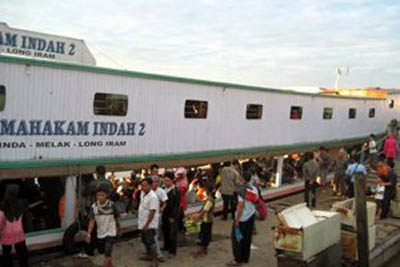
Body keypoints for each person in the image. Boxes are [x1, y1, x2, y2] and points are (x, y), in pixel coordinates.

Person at [85, 183, 121, 267]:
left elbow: (116, 218)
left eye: (102, 195)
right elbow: (91, 221)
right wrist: (89, 234)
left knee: (108, 251)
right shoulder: (94, 207)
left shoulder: (112, 205)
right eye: (98, 195)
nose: (100, 197)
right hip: (101, 232)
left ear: (107, 195)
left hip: (111, 231)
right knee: (105, 252)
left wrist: (119, 228)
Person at [227, 171, 258, 266]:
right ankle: (245, 258)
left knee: (237, 239)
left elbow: (240, 206)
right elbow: (256, 200)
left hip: (242, 218)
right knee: (247, 238)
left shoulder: (241, 191)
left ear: (242, 179)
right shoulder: (253, 188)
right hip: (251, 216)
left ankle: (237, 259)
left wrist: (237, 220)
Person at [0, 184, 29, 267]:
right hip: (19, 232)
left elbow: (1, 220)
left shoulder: (3, 205)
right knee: (22, 253)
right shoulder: (21, 203)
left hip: (6, 234)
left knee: (7, 254)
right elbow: (24, 213)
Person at [138, 178, 160, 267]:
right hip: (143, 222)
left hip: (149, 223)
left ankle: (155, 260)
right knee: (144, 240)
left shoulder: (153, 197)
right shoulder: (143, 194)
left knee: (151, 241)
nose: (143, 187)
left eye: (145, 185)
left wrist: (147, 224)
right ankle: (149, 255)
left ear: (150, 186)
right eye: (142, 185)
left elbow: (152, 211)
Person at [192, 184, 215, 258]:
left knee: (205, 236)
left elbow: (204, 211)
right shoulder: (208, 199)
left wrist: (197, 218)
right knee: (203, 235)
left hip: (207, 220)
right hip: (205, 219)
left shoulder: (210, 200)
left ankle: (204, 251)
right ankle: (202, 250)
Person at [162, 172, 180, 259]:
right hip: (164, 214)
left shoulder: (175, 191)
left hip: (172, 215)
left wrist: (173, 216)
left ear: (172, 180)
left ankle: (172, 251)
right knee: (165, 231)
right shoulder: (162, 189)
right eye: (165, 180)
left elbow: (177, 205)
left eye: (168, 180)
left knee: (172, 233)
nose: (166, 182)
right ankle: (166, 246)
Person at [151, 175, 168, 262]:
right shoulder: (147, 191)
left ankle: (158, 254)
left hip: (157, 216)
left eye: (156, 182)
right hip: (148, 215)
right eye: (153, 181)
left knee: (155, 235)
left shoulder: (161, 191)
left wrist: (161, 209)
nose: (154, 183)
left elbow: (165, 202)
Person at [175, 168, 188, 233]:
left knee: (180, 215)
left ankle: (182, 228)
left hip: (181, 200)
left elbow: (182, 191)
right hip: (178, 200)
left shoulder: (184, 182)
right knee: (180, 215)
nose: (179, 176)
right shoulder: (177, 181)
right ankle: (181, 228)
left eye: (180, 174)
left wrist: (177, 189)